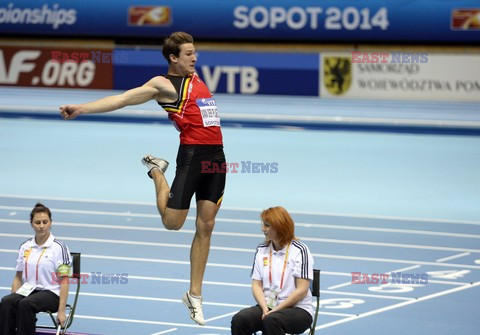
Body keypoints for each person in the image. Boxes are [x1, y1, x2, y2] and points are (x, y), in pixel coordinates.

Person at [58, 31, 226, 326]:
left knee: (207, 224)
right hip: (192, 157)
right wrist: (82, 108)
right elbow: (123, 99)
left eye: (195, 53)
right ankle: (156, 171)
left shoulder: (195, 77)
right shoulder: (163, 85)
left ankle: (195, 295)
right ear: (173, 58)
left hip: (217, 157)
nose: (194, 58)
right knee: (173, 223)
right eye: (188, 54)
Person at [231, 206, 314, 335]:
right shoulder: (262, 249)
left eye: (267, 225)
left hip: (299, 310)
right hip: (268, 307)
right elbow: (256, 284)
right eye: (263, 224)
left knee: (272, 321)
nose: (262, 229)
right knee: (240, 320)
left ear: (280, 227)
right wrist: (265, 308)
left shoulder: (300, 250)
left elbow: (302, 290)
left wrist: (276, 310)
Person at [0, 203, 72, 335]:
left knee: (26, 304)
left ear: (51, 223)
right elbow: (17, 277)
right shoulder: (25, 246)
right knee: (7, 302)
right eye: (37, 222)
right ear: (32, 224)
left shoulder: (59, 248)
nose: (42, 226)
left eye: (45, 222)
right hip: (29, 290)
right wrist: (14, 296)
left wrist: (61, 311)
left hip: (51, 293)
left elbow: (65, 280)